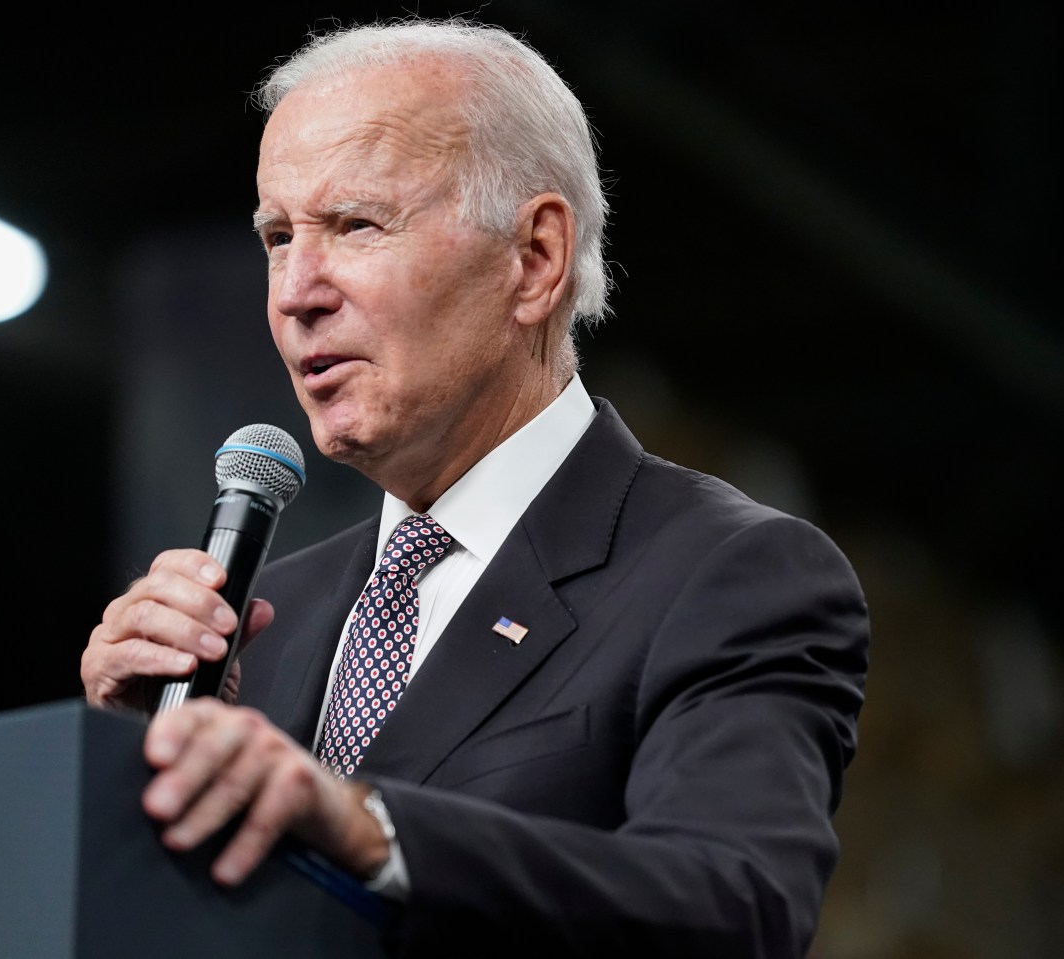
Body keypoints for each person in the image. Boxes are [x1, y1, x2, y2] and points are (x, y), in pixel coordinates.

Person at [79, 15, 869, 958]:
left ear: (534, 260)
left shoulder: (727, 574)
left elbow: (733, 904)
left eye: (355, 225)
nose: (296, 289)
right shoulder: (263, 620)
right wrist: (121, 775)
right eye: (278, 236)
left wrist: (369, 827)